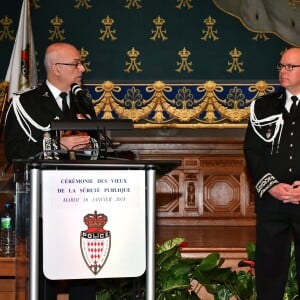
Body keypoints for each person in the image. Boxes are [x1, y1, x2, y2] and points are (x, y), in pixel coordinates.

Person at [4, 42, 97, 300]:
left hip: (82, 202)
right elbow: (14, 151)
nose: (82, 68)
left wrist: (91, 143)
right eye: (76, 63)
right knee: (44, 277)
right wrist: (58, 144)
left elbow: (100, 148)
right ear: (56, 68)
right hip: (41, 204)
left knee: (84, 272)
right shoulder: (25, 103)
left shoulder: (82, 102)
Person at [244, 47, 300, 299]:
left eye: (290, 67)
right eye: (281, 66)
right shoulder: (263, 107)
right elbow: (252, 152)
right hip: (272, 202)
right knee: (269, 271)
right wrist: (271, 186)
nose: (282, 72)